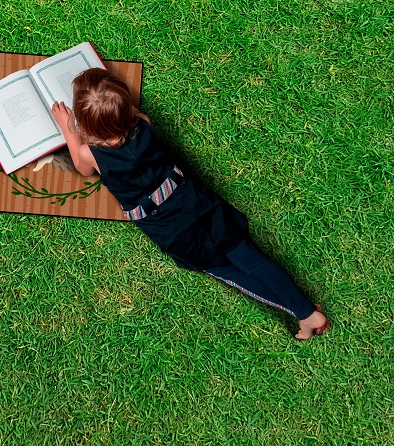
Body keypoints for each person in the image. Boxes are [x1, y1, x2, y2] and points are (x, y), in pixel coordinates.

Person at [51, 68, 330, 340]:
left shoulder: (91, 154)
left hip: (169, 225)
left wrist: (68, 129)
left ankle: (305, 314)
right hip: (194, 200)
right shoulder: (143, 122)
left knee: (228, 271)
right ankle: (304, 308)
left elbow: (81, 167)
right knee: (248, 256)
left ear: (87, 126)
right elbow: (127, 119)